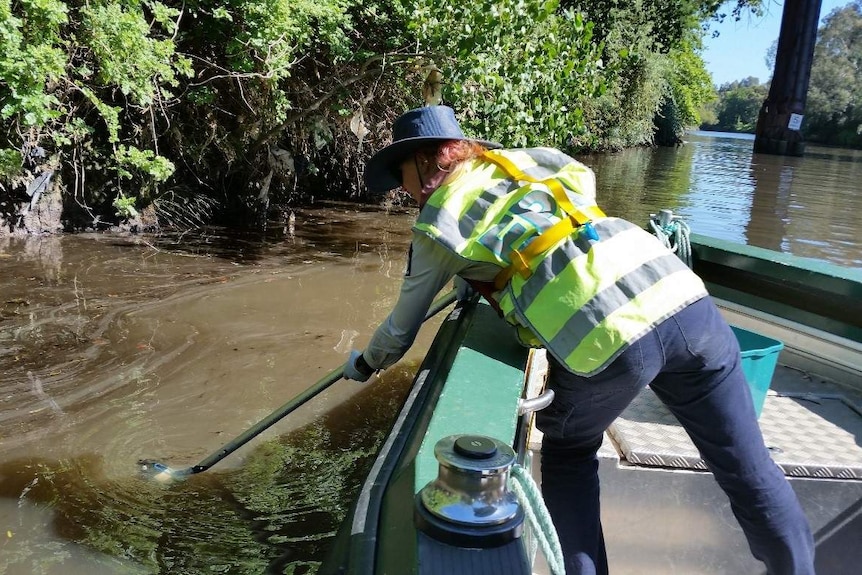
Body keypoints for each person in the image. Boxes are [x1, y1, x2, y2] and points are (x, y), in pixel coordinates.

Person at [342, 105, 815, 575]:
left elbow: (401, 329)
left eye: (399, 174)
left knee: (569, 455)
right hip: (683, 299)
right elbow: (562, 213)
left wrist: (364, 364)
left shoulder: (438, 223)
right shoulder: (529, 160)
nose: (402, 191)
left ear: (425, 163)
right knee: (747, 469)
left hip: (609, 335)